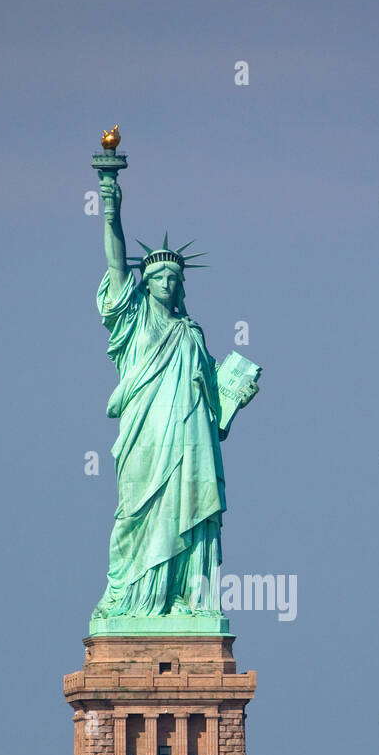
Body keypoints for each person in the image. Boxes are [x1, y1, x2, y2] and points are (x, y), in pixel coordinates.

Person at [92, 171, 257, 623]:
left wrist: (234, 401)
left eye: (173, 277)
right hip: (144, 440)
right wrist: (111, 209)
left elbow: (212, 411)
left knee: (190, 509)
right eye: (158, 276)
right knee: (134, 515)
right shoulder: (134, 322)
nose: (166, 282)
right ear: (144, 284)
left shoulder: (192, 333)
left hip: (190, 443)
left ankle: (186, 598)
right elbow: (114, 266)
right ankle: (130, 599)